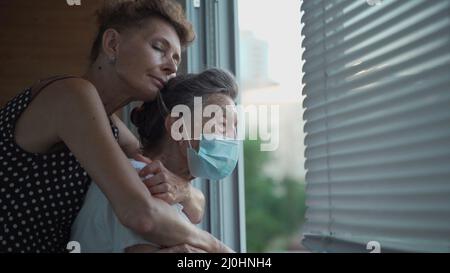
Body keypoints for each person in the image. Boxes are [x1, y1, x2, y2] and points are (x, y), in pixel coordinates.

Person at [0, 0, 231, 253]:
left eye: (176, 60)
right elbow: (141, 213)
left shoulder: (114, 130)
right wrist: (220, 250)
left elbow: (183, 198)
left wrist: (187, 192)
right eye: (158, 48)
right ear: (112, 44)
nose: (171, 68)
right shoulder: (71, 95)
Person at [71, 68, 239, 252]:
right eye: (223, 124)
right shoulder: (139, 183)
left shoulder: (167, 191)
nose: (233, 137)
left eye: (235, 128)